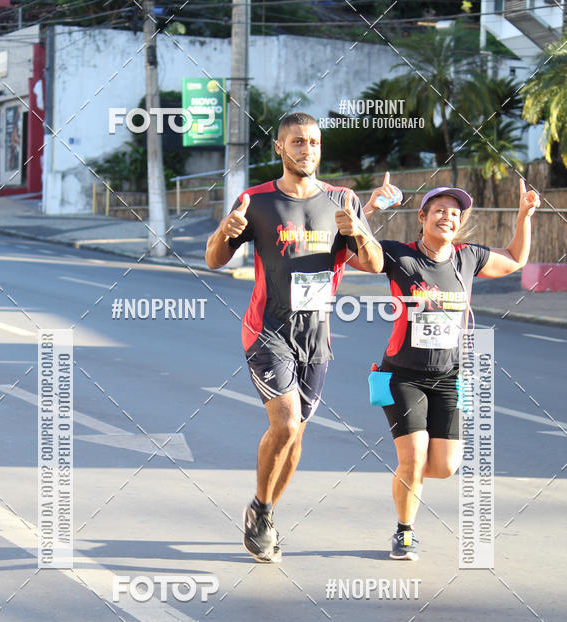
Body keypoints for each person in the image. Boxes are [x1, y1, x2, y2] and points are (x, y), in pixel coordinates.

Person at [205, 112, 373, 563]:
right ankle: (261, 511)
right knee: (284, 422)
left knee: (295, 434)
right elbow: (214, 260)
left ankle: (264, 510)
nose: (307, 150)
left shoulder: (342, 200)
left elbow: (373, 262)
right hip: (267, 331)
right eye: (297, 142)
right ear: (279, 148)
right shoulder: (255, 200)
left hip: (316, 338)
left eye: (314, 143)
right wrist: (225, 231)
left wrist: (356, 231)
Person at [360, 175, 540, 560]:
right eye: (439, 210)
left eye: (455, 212)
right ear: (422, 217)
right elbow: (350, 251)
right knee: (412, 457)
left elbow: (515, 258)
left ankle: (406, 480)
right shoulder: (398, 255)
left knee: (443, 467)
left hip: (452, 378)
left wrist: (524, 214)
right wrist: (371, 208)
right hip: (403, 375)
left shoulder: (467, 257)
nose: (448, 217)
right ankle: (404, 531)